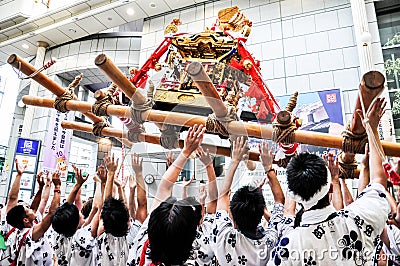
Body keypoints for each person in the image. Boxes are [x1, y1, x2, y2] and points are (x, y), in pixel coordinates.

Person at [268, 98, 390, 265]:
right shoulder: (357, 219)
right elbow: (378, 181)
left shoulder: (288, 247)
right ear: (330, 188)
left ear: (295, 196)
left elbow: (289, 212)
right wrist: (372, 129)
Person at [127, 124, 206, 266]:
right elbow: (165, 187)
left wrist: (186, 152)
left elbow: (164, 187)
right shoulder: (200, 259)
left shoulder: (141, 251)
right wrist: (186, 152)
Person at [211, 138, 285, 266]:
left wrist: (234, 161)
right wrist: (268, 167)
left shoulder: (223, 237)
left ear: (232, 215)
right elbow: (279, 200)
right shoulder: (270, 241)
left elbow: (223, 196)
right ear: (261, 214)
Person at [95, 153, 142, 266]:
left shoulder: (101, 237)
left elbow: (106, 205)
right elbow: (142, 206)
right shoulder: (133, 238)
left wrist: (110, 174)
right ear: (128, 221)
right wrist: (138, 175)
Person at [6, 171, 61, 266]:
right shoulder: (32, 234)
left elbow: (34, 207)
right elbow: (51, 213)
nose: (31, 209)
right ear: (26, 220)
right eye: (27, 209)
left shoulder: (20, 231)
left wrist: (41, 188)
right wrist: (57, 187)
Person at [51, 165, 97, 265]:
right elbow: (97, 207)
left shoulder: (59, 233)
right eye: (78, 214)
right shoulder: (82, 237)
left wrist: (78, 184)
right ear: (75, 224)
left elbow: (67, 207)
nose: (81, 213)